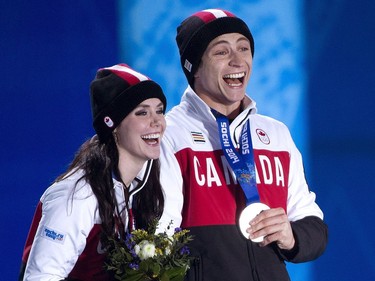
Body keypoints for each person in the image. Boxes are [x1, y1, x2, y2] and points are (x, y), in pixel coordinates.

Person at [159, 8, 328, 281]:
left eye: (244, 48)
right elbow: (158, 239)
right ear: (195, 67)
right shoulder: (170, 135)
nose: (238, 61)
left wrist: (290, 235)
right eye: (221, 52)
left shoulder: (276, 134)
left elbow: (314, 226)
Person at [19, 63, 182, 281]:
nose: (157, 122)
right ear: (113, 125)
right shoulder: (78, 194)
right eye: (142, 112)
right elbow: (42, 277)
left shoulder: (146, 183)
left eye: (159, 110)